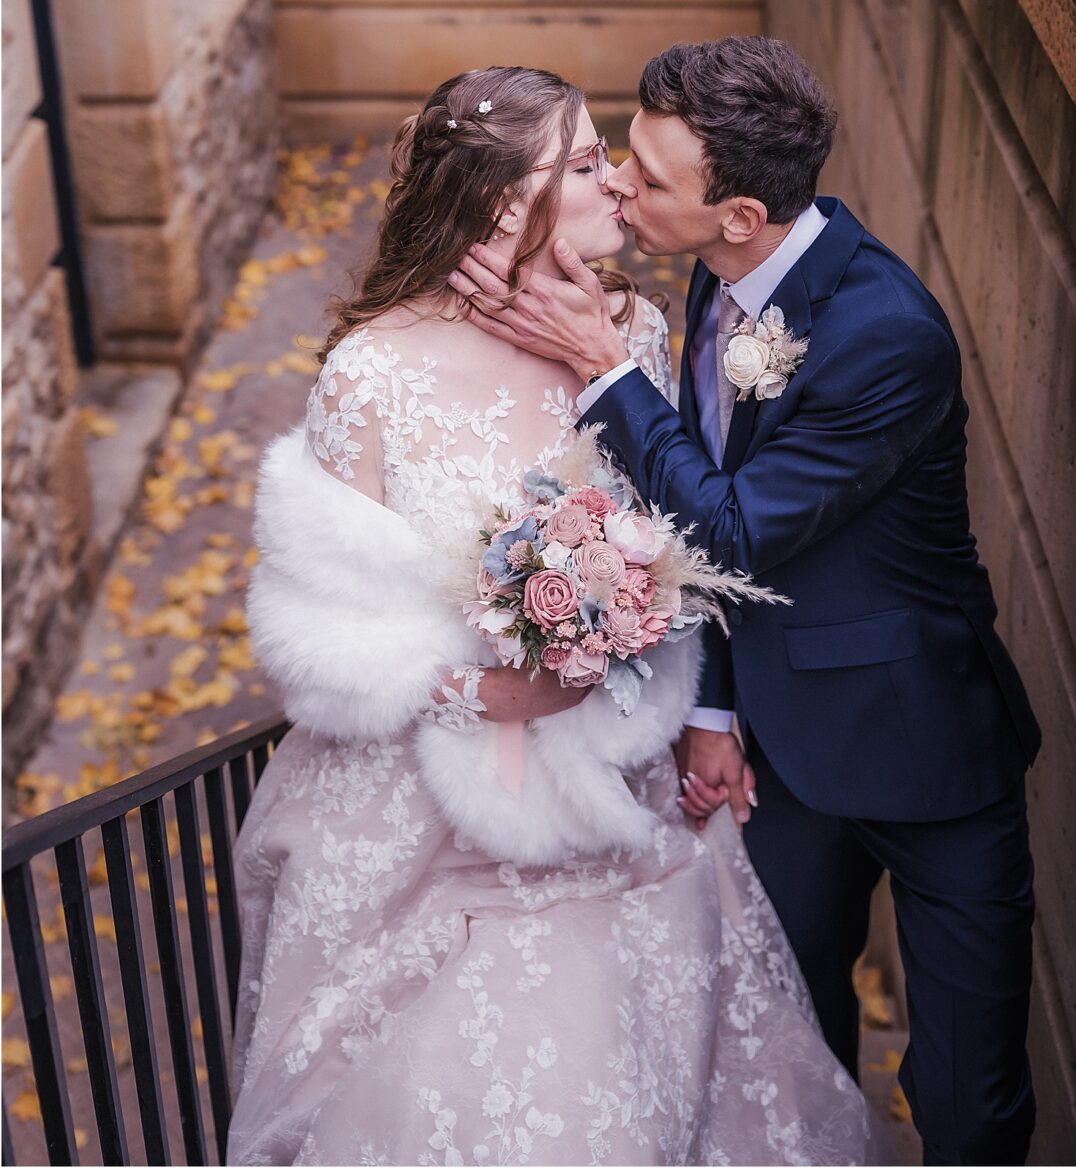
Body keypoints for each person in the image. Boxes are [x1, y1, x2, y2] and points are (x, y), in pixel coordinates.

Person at [231, 66, 879, 1166]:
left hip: (617, 783)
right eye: (585, 166)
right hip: (426, 815)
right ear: (499, 201)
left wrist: (667, 670)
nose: (619, 186)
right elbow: (318, 627)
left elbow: (684, 538)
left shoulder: (633, 325)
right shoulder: (369, 372)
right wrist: (482, 689)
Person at [455, 36, 1043, 1167]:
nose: (619, 184)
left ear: (738, 214)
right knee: (795, 1055)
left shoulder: (886, 336)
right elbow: (722, 561)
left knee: (969, 1099)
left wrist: (604, 370)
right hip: (777, 756)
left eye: (649, 178)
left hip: (927, 753)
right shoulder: (718, 273)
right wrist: (714, 710)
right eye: (623, 157)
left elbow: (726, 528)